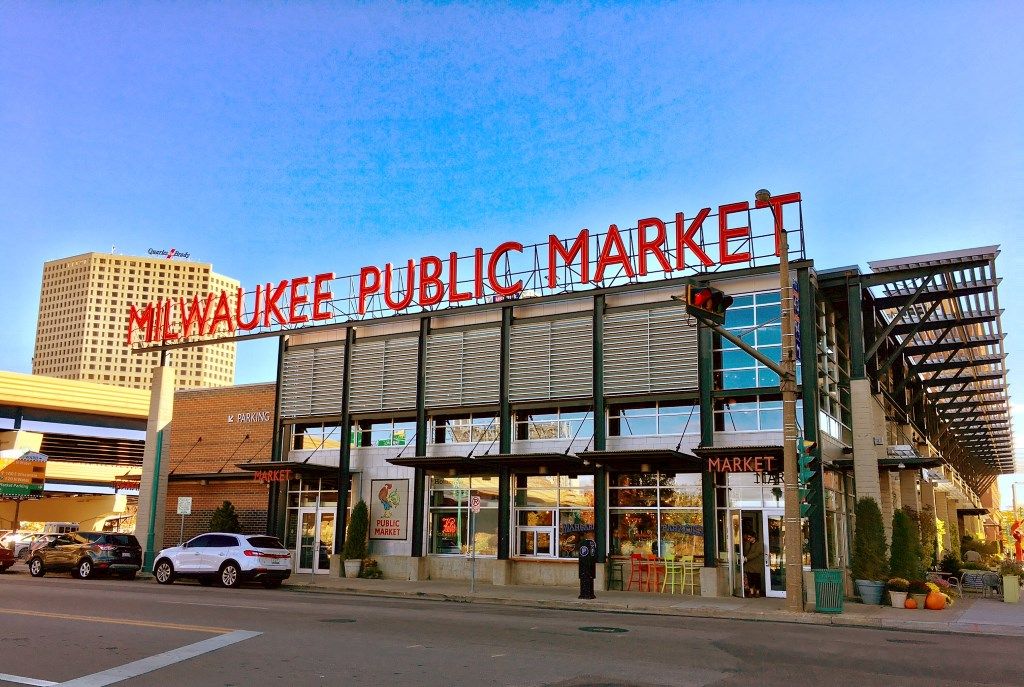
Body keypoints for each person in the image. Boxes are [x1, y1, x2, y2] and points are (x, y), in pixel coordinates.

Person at [742, 533, 763, 597]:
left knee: (756, 578)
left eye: (750, 537)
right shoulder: (748, 544)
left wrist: (747, 558)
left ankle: (757, 592)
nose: (748, 539)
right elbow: (745, 552)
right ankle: (751, 592)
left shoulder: (759, 544)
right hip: (748, 564)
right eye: (748, 537)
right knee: (750, 578)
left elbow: (757, 553)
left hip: (756, 564)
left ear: (754, 537)